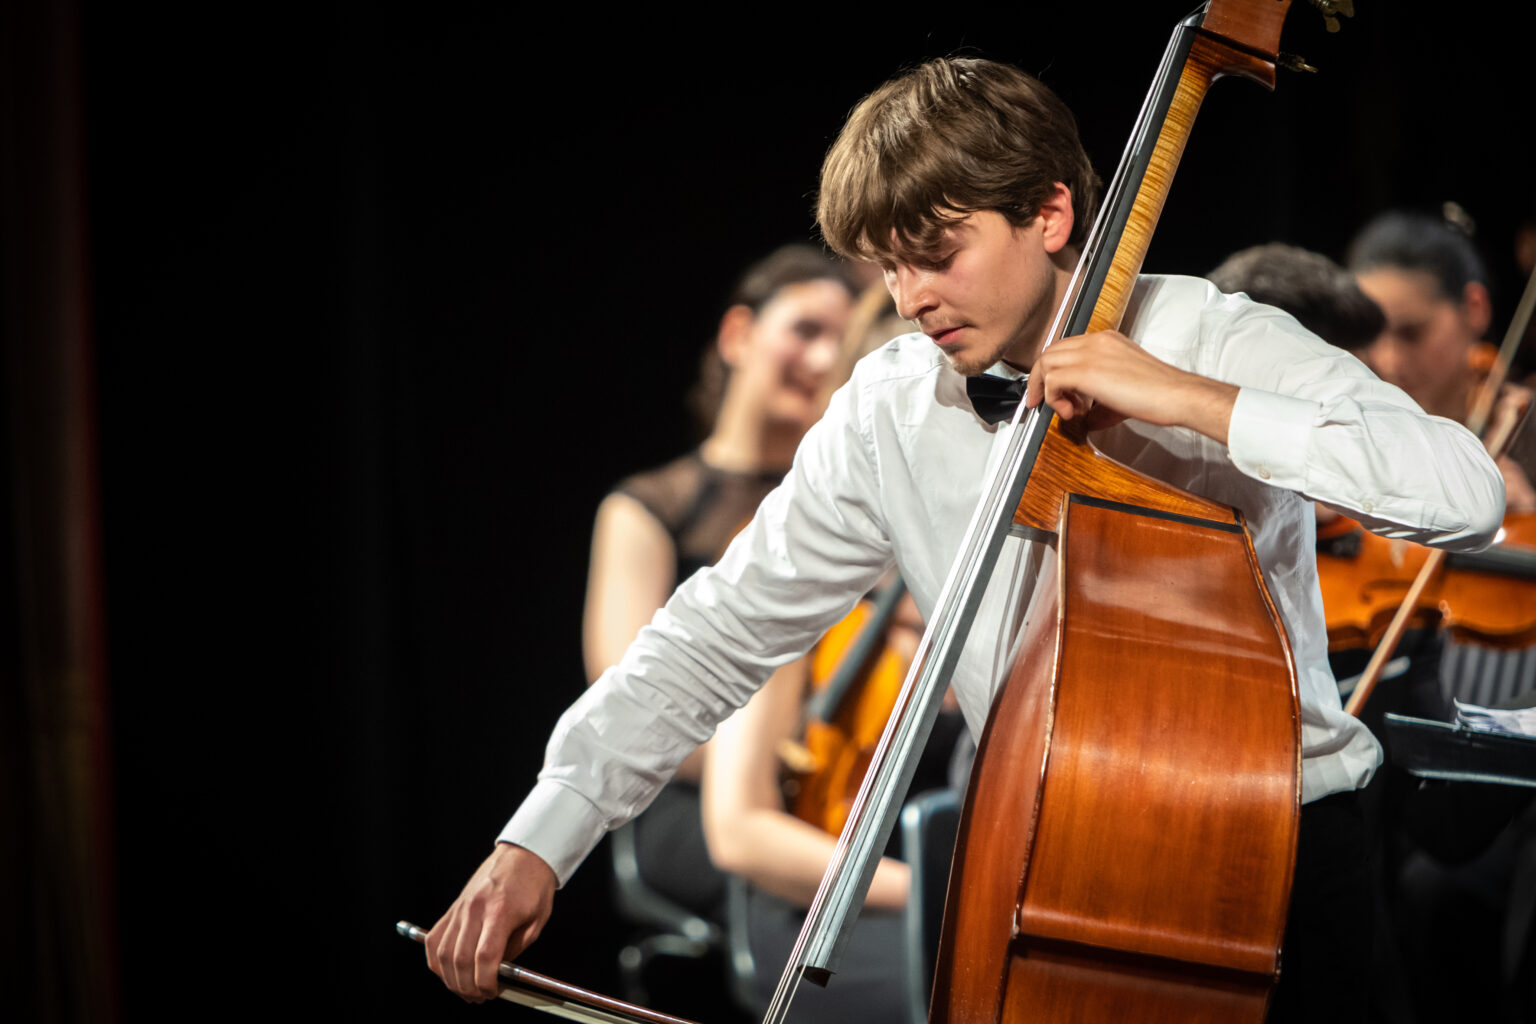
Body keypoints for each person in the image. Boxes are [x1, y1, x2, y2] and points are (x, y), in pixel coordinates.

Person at [426, 58, 1505, 1022]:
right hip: (1037, 854)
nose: (912, 301)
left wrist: (1191, 400)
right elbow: (717, 629)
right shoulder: (891, 404)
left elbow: (1461, 490)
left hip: (1275, 856)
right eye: (888, 268)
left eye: (936, 255)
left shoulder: (1211, 335)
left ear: (1048, 211)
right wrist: (540, 835)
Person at [581, 244, 858, 938]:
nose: (825, 360)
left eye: (843, 343)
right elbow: (627, 704)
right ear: (738, 335)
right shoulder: (650, 508)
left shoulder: (842, 501)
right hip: (695, 803)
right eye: (805, 330)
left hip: (836, 796)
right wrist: (767, 762)